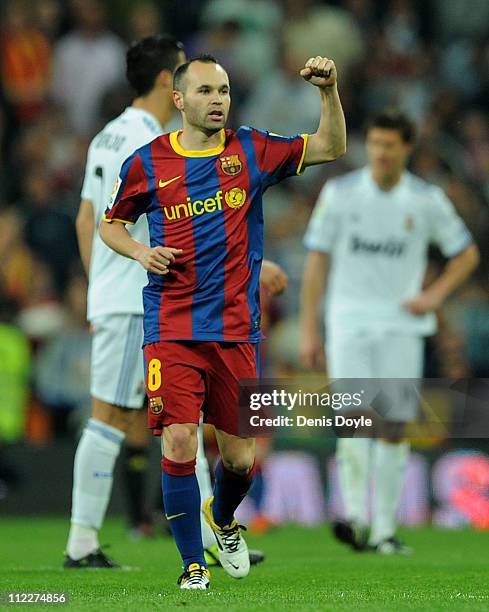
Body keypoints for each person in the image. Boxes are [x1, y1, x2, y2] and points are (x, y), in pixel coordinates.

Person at [100, 53, 346, 589]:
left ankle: (224, 518)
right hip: (170, 324)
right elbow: (111, 224)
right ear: (180, 99)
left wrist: (328, 93)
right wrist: (140, 254)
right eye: (207, 91)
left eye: (225, 91)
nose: (218, 101)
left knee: (239, 459)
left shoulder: (251, 148)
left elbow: (330, 147)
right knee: (180, 441)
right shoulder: (147, 162)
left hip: (236, 328)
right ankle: (192, 566)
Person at [65, 35, 281, 570]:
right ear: (170, 82)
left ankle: (209, 536)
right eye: (192, 77)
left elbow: (85, 219)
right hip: (141, 298)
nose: (209, 92)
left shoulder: (105, 135)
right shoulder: (149, 142)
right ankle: (82, 540)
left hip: (147, 296)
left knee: (183, 425)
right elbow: (106, 222)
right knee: (112, 415)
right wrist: (114, 284)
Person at [300, 109, 479, 554]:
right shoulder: (340, 194)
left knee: (395, 425)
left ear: (406, 148)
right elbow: (316, 263)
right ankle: (357, 518)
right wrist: (309, 329)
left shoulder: (425, 199)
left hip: (402, 324)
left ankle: (384, 529)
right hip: (349, 322)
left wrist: (434, 297)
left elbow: (466, 255)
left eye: (388, 145)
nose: (380, 152)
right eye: (374, 143)